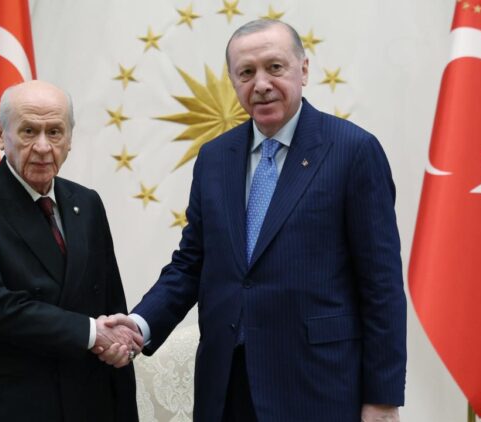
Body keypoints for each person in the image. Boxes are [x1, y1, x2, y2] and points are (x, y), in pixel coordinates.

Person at [99, 19, 406, 421]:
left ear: (303, 69)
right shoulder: (214, 158)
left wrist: (382, 399)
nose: (261, 84)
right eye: (246, 72)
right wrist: (139, 325)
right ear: (233, 80)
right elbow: (191, 264)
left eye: (274, 67)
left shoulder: (353, 151)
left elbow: (381, 286)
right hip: (227, 387)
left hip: (317, 388)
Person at [0, 80, 141, 422]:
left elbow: (109, 301)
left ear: (70, 138)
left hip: (87, 402)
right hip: (8, 406)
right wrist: (93, 333)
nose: (44, 147)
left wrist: (121, 347)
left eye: (55, 132)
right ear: (0, 135)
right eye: (29, 131)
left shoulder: (87, 203)